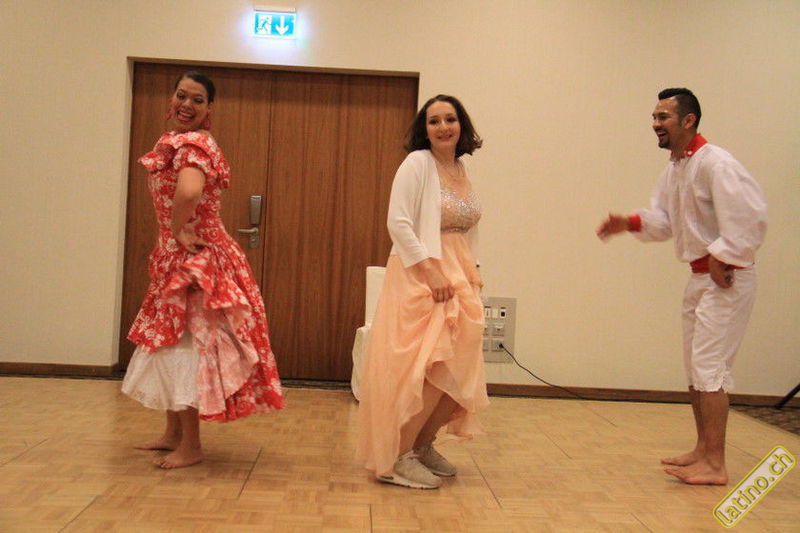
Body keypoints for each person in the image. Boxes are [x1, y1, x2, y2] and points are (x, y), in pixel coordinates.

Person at [597, 88, 767, 485]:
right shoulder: (676, 168)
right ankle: (703, 449)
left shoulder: (716, 163)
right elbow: (666, 220)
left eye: (663, 117)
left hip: (727, 280)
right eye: (654, 117)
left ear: (688, 120)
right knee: (695, 368)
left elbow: (750, 218)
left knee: (710, 367)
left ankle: (716, 464)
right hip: (700, 277)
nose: (655, 124)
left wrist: (724, 256)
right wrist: (630, 223)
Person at [122, 71, 284, 469]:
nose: (187, 105)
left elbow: (190, 190)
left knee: (187, 348)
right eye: (182, 96)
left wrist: (178, 228)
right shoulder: (175, 141)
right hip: (180, 258)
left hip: (197, 261)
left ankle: (191, 445)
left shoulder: (194, 144)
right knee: (169, 342)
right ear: (171, 98)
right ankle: (173, 434)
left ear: (209, 108)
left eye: (197, 100)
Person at [356, 94, 490, 489]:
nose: (443, 127)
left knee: (460, 365)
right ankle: (397, 455)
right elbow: (398, 222)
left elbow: (467, 229)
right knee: (430, 365)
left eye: (450, 119)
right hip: (422, 273)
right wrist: (431, 272)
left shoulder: (461, 168)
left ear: (462, 125)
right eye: (434, 121)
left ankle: (421, 443)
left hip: (459, 272)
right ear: (424, 129)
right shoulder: (417, 164)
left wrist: (474, 273)